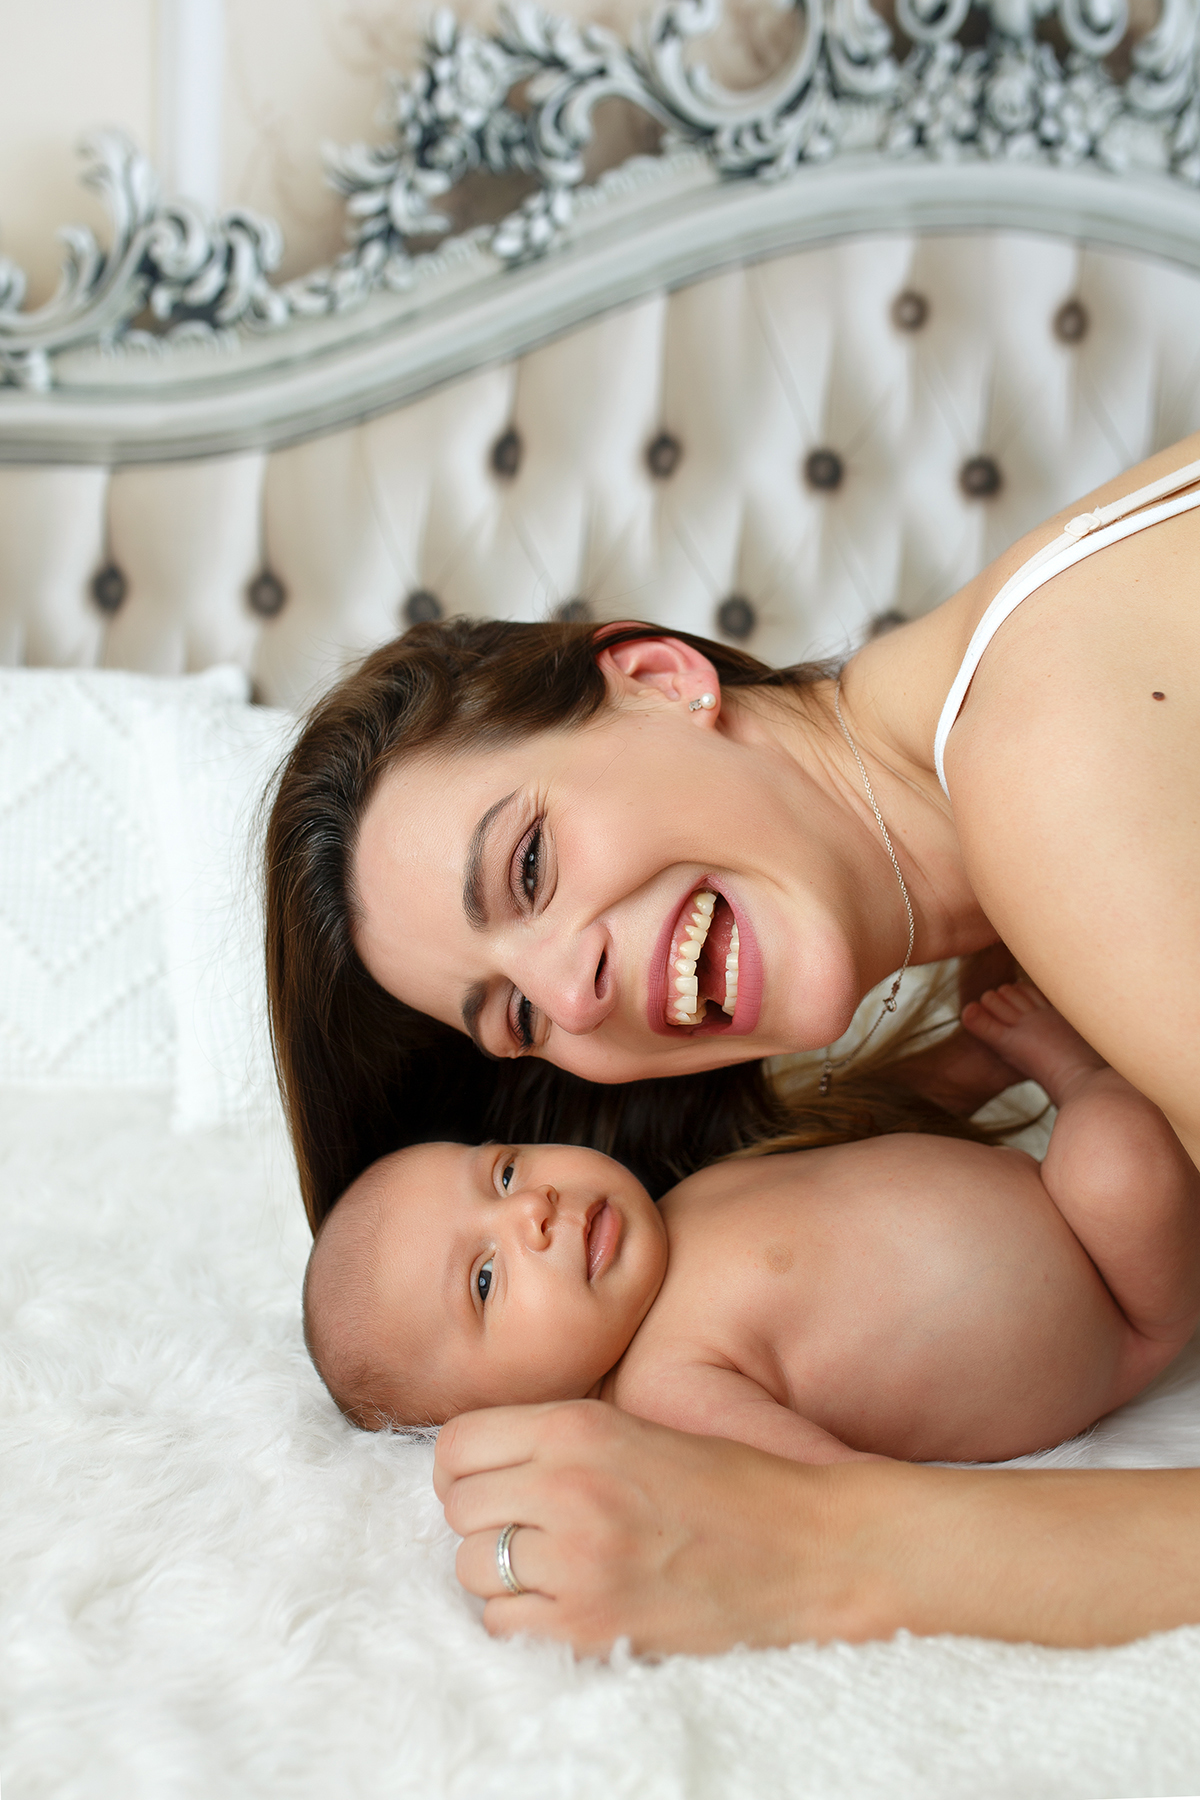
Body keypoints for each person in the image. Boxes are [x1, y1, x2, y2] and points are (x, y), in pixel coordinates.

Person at [265, 433, 1200, 1649]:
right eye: (521, 1018)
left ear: (660, 678)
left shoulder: (1052, 781)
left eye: (530, 865)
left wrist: (824, 1547)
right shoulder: (1017, 903)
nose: (575, 995)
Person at [306, 986, 1200, 1472]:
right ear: (513, 1416)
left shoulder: (682, 1200)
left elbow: (865, 1136)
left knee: (1118, 1150)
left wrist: (973, 1066)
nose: (529, 1210)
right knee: (1119, 1165)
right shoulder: (666, 1390)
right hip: (1125, 1305)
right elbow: (820, 1489)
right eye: (485, 1279)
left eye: (502, 1174)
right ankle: (1079, 1074)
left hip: (1053, 1196)